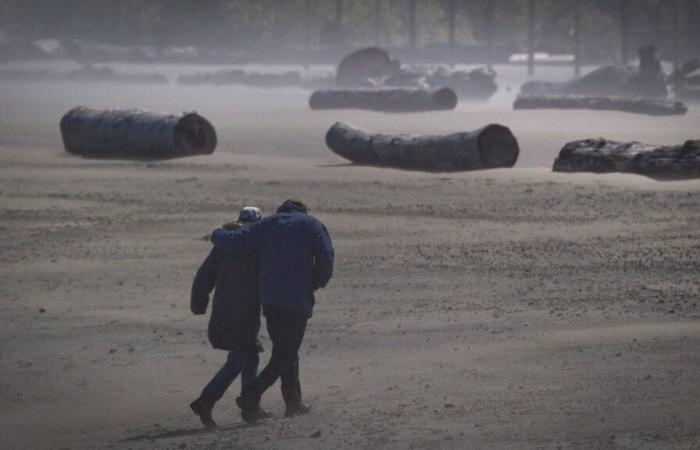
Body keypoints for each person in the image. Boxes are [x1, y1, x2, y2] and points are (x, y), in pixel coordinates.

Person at [210, 199, 334, 423]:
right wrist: (315, 282)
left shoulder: (268, 224)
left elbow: (237, 240)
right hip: (297, 301)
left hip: (270, 300)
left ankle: (293, 403)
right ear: (303, 211)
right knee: (285, 353)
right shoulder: (312, 224)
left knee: (286, 350)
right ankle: (251, 395)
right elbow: (326, 258)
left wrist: (217, 234)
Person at [189, 206, 265, 429]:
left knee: (250, 355)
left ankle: (250, 406)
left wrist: (199, 303)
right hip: (245, 311)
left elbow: (204, 276)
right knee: (240, 359)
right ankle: (206, 401)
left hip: (224, 310)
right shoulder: (256, 248)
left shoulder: (222, 247)